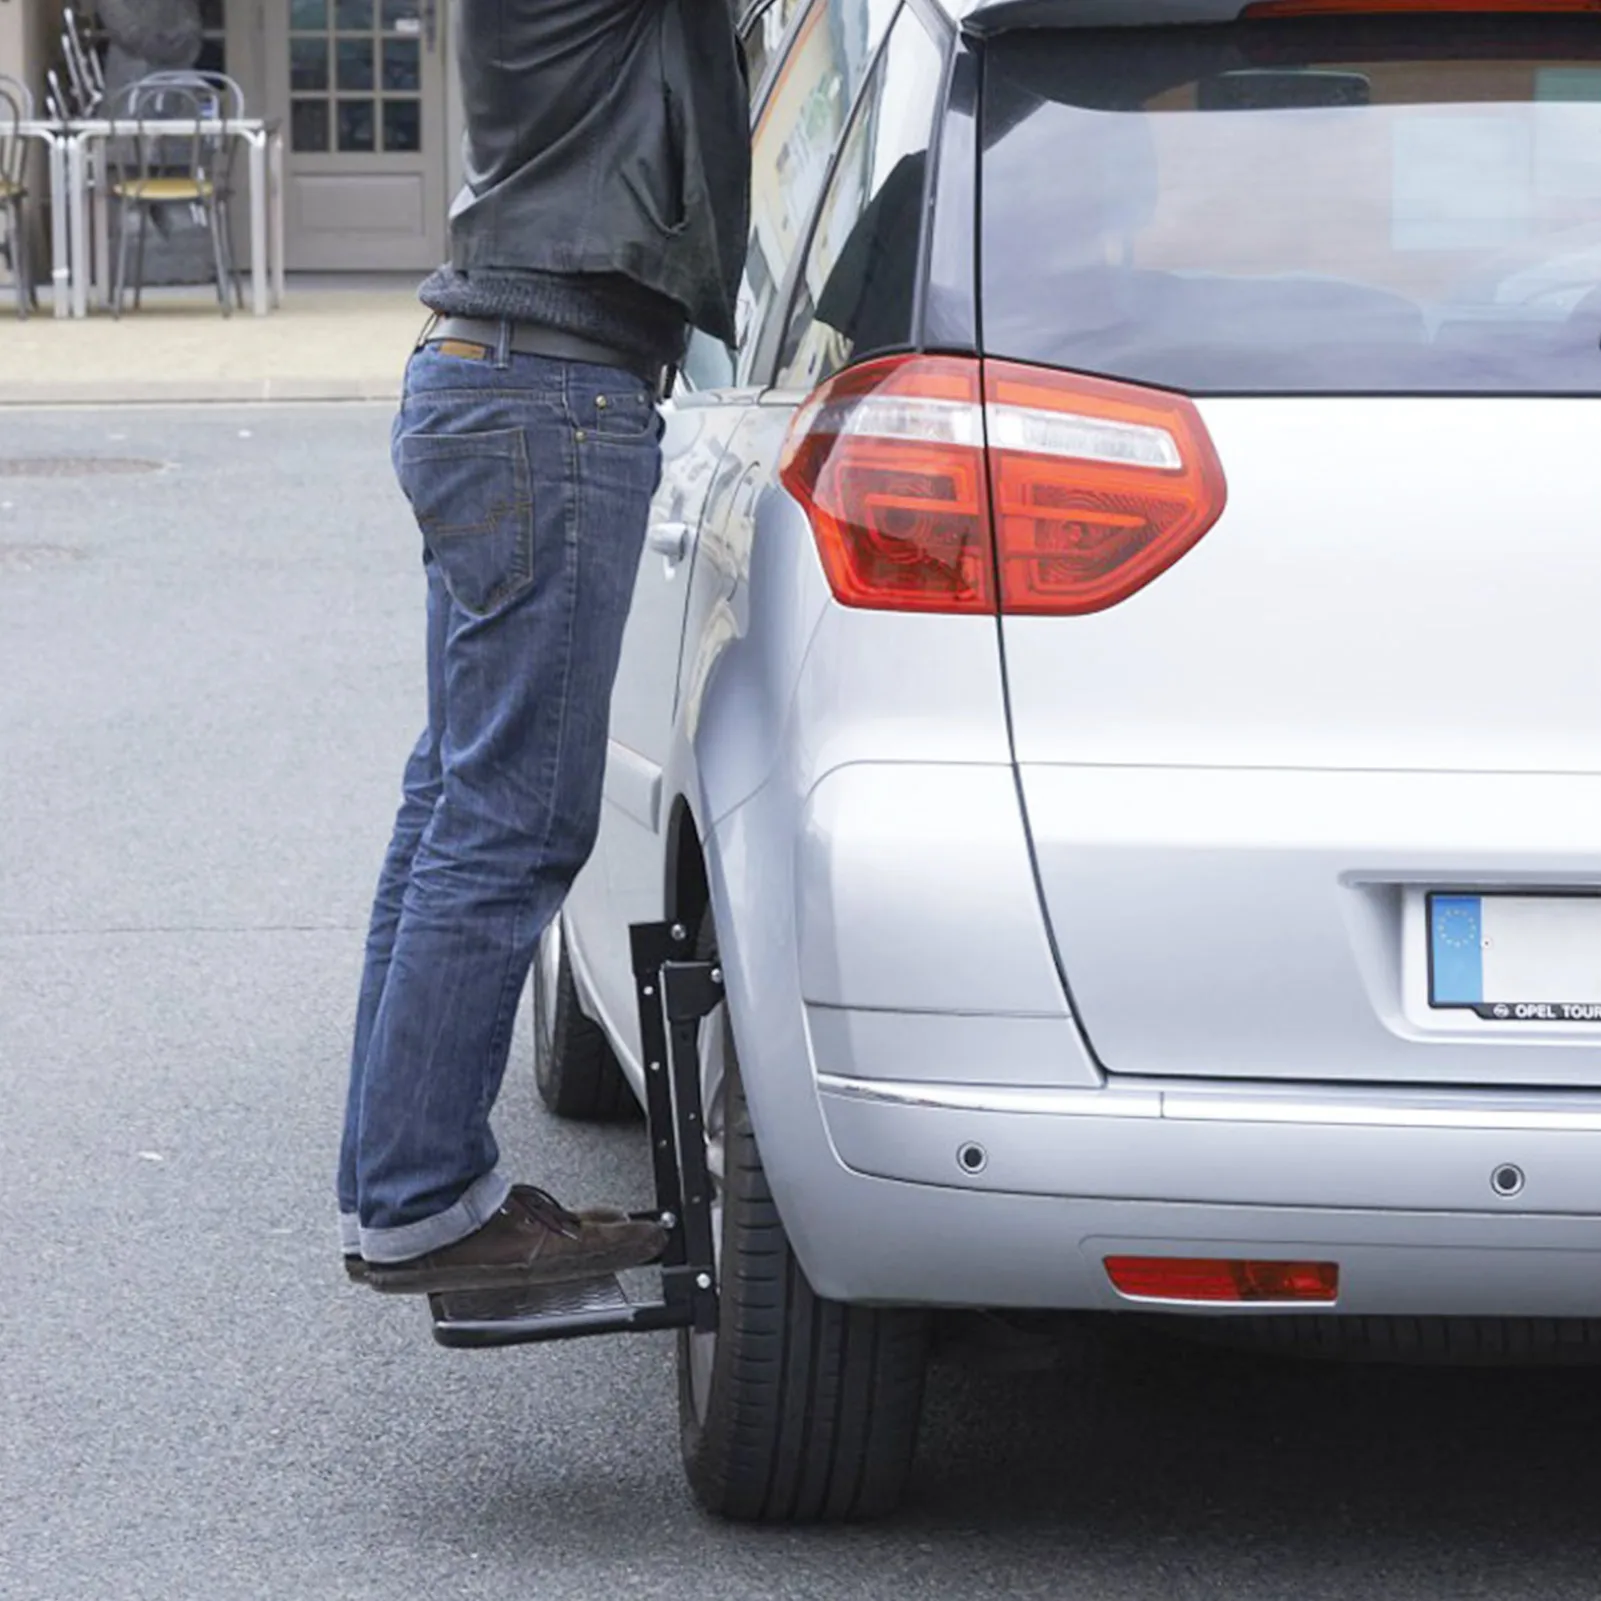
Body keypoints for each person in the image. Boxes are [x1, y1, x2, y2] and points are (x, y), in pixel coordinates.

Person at [336, 0, 750, 1295]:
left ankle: (401, 1187)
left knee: (460, 802)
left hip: (506, 383)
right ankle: (419, 1197)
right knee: (508, 819)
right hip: (546, 399)